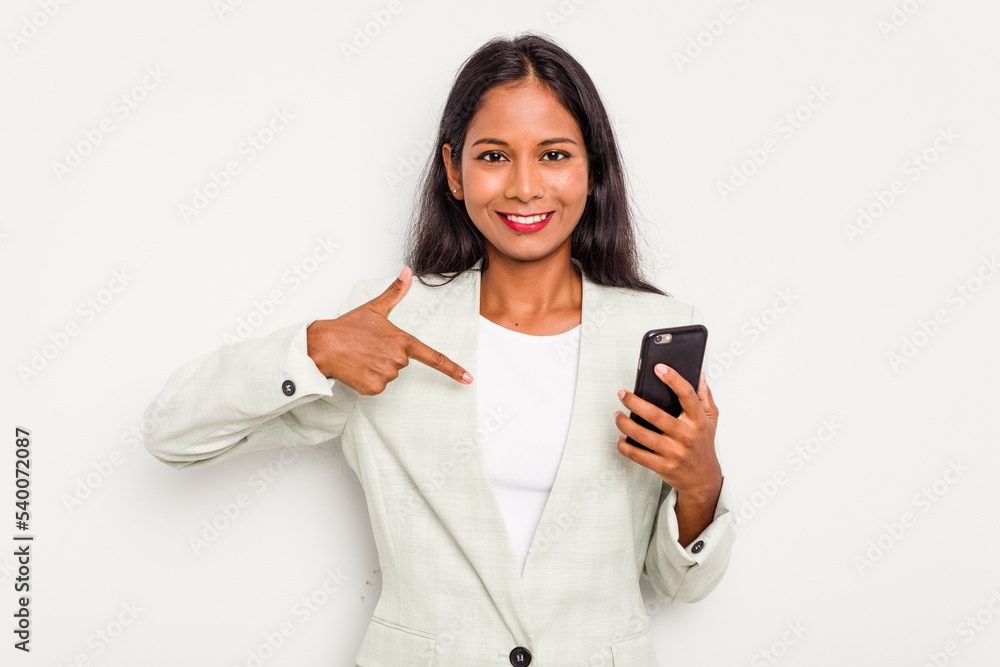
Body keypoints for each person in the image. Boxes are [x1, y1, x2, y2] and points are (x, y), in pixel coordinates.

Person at [143, 31, 736, 667]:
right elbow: (172, 434)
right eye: (494, 156)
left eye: (554, 155)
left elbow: (681, 585)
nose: (526, 187)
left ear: (592, 168)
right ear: (454, 171)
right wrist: (312, 349)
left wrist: (700, 484)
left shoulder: (655, 331)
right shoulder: (387, 325)